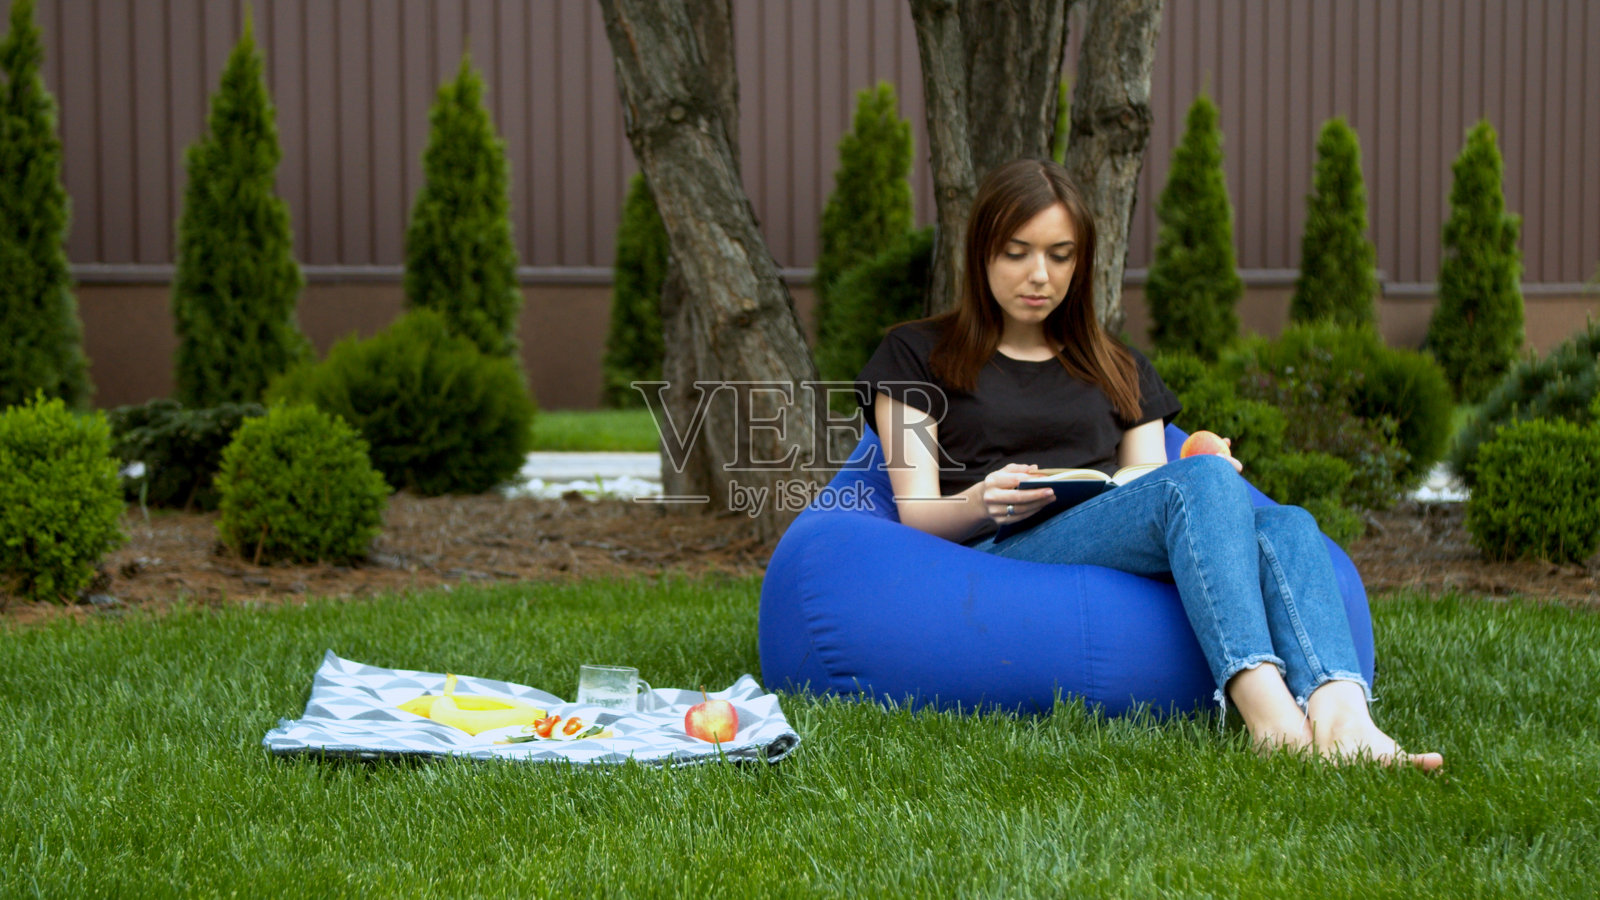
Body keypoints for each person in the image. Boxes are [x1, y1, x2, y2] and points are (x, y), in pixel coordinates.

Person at [855, 158, 1442, 770]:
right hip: (1001, 547)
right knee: (1203, 490)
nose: (1039, 275)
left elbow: (1143, 483)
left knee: (1289, 523)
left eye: (1060, 255)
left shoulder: (1118, 364)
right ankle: (1272, 724)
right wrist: (984, 500)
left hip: (1109, 531)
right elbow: (917, 514)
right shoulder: (915, 354)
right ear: (981, 253)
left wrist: (1203, 468)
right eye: (1016, 252)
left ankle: (1347, 719)